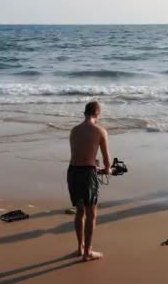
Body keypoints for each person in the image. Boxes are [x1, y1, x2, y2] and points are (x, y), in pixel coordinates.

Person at [68, 101, 111, 262]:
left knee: (80, 212)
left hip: (72, 172)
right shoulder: (100, 131)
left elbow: (79, 155)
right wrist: (107, 170)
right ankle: (88, 253)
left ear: (85, 112)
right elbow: (107, 161)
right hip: (87, 174)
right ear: (97, 113)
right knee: (91, 214)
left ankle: (80, 247)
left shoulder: (74, 130)